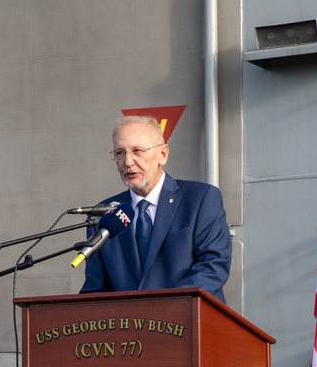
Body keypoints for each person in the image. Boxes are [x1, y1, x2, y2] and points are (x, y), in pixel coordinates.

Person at [80, 115, 233, 301]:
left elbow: (213, 266)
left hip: (190, 321)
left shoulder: (200, 199)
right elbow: (96, 290)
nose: (128, 162)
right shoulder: (106, 216)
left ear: (163, 154)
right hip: (129, 327)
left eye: (137, 151)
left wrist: (164, 308)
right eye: (120, 153)